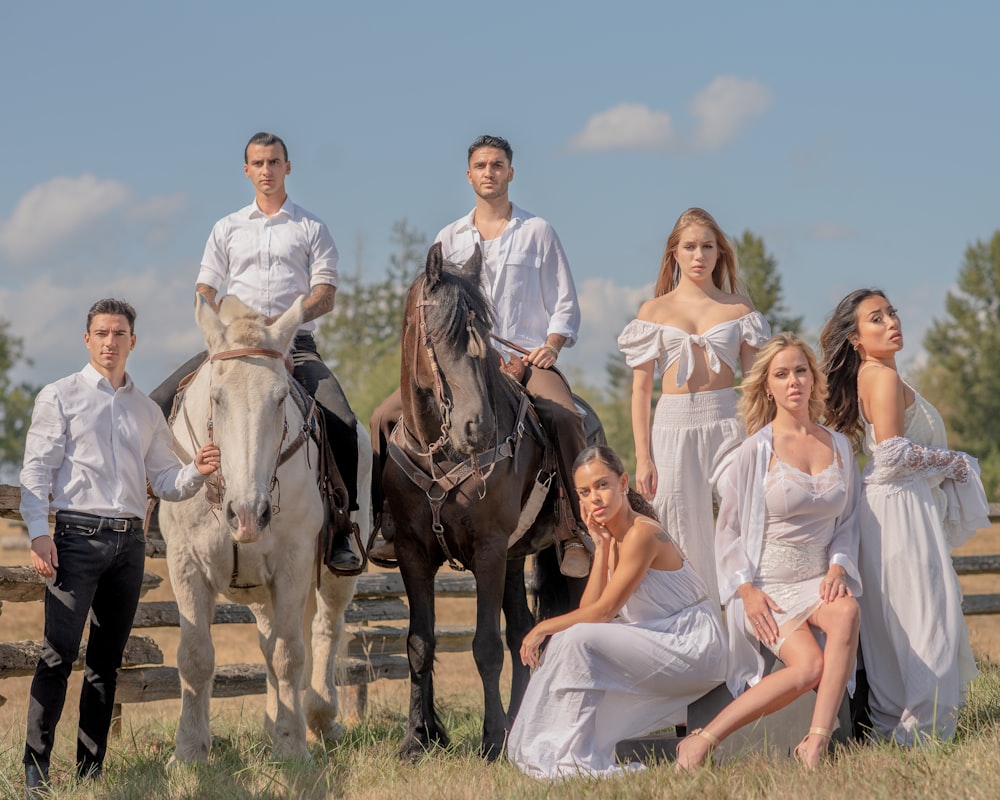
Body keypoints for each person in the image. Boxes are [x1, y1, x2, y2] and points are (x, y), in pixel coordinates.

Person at [19, 299, 221, 795]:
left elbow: (166, 481)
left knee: (106, 662)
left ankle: (91, 772)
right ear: (87, 340)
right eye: (102, 333)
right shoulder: (59, 396)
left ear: (134, 341)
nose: (111, 341)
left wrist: (197, 469)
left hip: (128, 545)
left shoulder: (147, 410)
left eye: (120, 333)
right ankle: (35, 773)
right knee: (58, 656)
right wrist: (38, 532)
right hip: (75, 539)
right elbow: (36, 471)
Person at [368, 134, 591, 577]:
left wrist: (550, 346)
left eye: (497, 165)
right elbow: (431, 306)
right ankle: (387, 522)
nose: (489, 172)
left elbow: (565, 304)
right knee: (381, 417)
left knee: (566, 418)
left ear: (511, 173)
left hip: (525, 361)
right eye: (481, 165)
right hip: (461, 365)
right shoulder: (448, 237)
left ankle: (572, 527)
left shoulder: (538, 232)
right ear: (468, 175)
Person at [149, 131, 359, 570]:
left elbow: (325, 294)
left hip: (293, 345)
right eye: (258, 163)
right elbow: (205, 287)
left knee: (341, 420)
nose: (267, 170)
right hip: (232, 347)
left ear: (288, 167)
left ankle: (343, 528)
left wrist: (285, 324)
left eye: (274, 162)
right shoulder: (226, 228)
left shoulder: (311, 227)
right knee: (155, 405)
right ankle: (150, 509)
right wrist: (213, 318)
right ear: (247, 170)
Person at [674, 334, 862, 771]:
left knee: (848, 611)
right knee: (807, 667)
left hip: (819, 579)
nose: (793, 380)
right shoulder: (754, 451)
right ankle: (703, 740)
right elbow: (730, 531)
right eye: (781, 374)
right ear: (767, 386)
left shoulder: (839, 446)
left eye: (801, 370)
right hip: (769, 587)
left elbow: (848, 522)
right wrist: (745, 590)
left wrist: (838, 566)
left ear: (814, 379)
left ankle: (814, 744)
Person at [819, 289, 988, 744]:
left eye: (891, 312)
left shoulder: (879, 375)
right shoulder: (881, 377)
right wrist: (954, 463)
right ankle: (920, 729)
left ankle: (899, 724)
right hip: (899, 507)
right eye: (876, 318)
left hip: (896, 505)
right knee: (924, 616)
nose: (892, 322)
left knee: (903, 619)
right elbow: (893, 454)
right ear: (856, 338)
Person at [507, 445, 727, 779]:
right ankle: (560, 751)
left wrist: (543, 627)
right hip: (659, 638)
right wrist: (603, 545)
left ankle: (573, 757)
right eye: (584, 491)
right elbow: (590, 609)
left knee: (576, 638)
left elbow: (604, 612)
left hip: (691, 643)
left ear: (623, 482)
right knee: (575, 638)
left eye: (602, 485)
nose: (594, 497)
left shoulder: (642, 533)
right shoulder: (616, 538)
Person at [617, 207, 770, 609]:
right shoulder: (654, 311)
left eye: (708, 246)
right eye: (690, 247)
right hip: (672, 426)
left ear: (720, 253)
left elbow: (756, 386)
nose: (699, 255)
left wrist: (761, 442)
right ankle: (693, 627)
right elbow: (641, 391)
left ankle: (745, 619)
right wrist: (643, 456)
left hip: (727, 422)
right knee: (679, 526)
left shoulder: (740, 310)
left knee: (743, 506)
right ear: (675, 254)